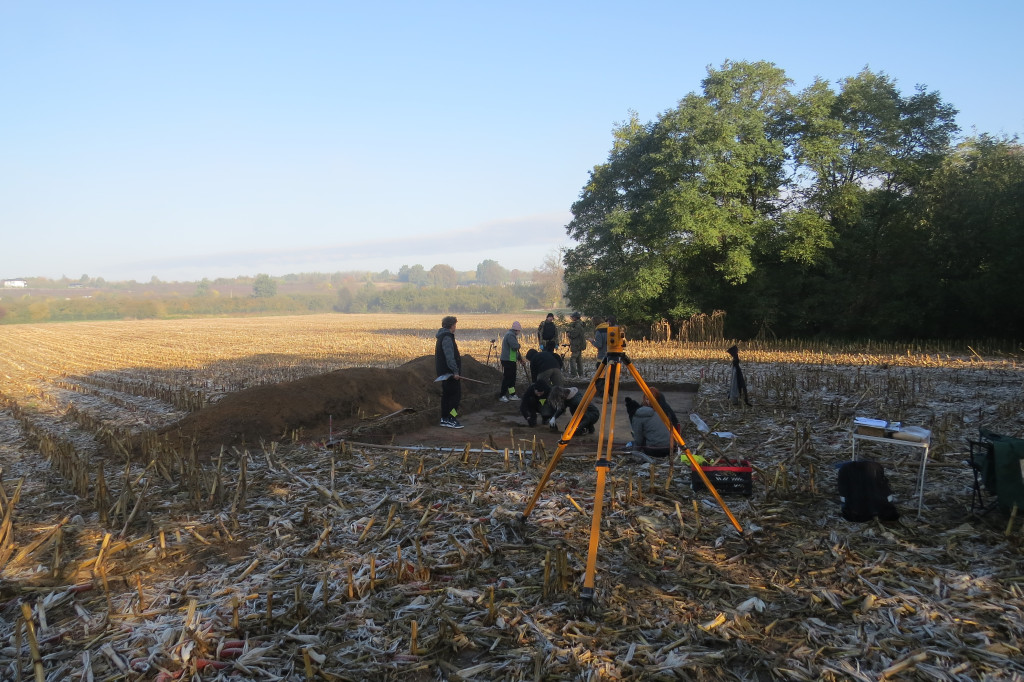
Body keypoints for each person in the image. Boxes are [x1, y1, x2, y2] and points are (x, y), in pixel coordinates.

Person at [434, 315, 464, 428]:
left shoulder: (442, 336)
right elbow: (450, 357)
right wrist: (455, 372)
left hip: (445, 374)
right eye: (455, 325)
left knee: (446, 396)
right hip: (450, 374)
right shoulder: (447, 338)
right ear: (451, 325)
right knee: (455, 397)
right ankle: (452, 418)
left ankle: (445, 418)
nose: (455, 327)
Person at [624, 393, 672, 458]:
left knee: (639, 443)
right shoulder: (654, 411)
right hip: (669, 448)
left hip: (655, 450)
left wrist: (634, 453)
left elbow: (638, 439)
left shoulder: (637, 417)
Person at [498, 321, 526, 402]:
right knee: (507, 378)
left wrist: (520, 360)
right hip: (507, 360)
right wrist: (519, 345)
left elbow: (514, 352)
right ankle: (502, 395)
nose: (519, 332)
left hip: (511, 360)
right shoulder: (510, 335)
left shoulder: (511, 335)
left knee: (512, 379)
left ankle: (512, 394)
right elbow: (515, 347)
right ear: (516, 330)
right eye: (519, 330)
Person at [565, 312, 588, 378]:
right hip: (579, 344)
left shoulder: (578, 325)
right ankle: (581, 374)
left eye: (572, 317)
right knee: (578, 359)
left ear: (575, 317)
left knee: (573, 359)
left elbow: (574, 334)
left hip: (577, 344)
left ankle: (573, 374)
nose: (571, 318)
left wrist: (569, 333)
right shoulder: (580, 324)